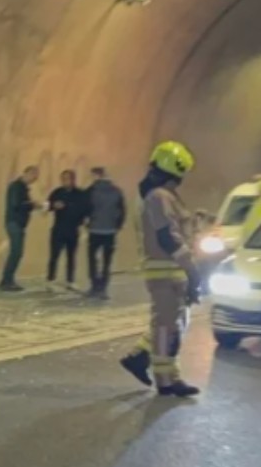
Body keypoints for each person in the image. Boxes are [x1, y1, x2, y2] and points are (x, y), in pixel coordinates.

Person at [119, 140, 201, 398]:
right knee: (166, 327)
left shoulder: (159, 195)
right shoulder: (159, 196)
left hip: (169, 270)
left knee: (170, 325)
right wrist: (192, 269)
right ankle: (166, 380)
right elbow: (167, 236)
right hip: (166, 270)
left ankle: (144, 361)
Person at [86, 167, 126, 299]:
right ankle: (103, 288)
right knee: (107, 261)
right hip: (110, 231)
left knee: (92, 259)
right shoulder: (117, 191)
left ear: (97, 176)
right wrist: (117, 225)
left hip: (95, 230)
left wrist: (87, 222)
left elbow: (85, 207)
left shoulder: (91, 191)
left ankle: (94, 286)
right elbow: (122, 210)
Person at [0, 166, 40, 292]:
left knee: (17, 252)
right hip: (14, 223)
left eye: (36, 177)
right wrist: (31, 204)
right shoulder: (17, 186)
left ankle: (7, 280)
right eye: (33, 175)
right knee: (16, 252)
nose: (34, 179)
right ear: (27, 173)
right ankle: (6, 281)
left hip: (18, 224)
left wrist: (31, 205)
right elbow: (16, 204)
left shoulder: (22, 188)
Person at [46, 170, 87, 292]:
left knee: (71, 256)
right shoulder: (57, 192)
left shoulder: (80, 194)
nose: (65, 181)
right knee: (54, 255)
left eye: (68, 178)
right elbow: (47, 206)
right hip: (58, 229)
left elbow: (84, 209)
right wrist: (53, 206)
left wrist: (80, 220)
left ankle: (70, 280)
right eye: (63, 179)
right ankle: (50, 279)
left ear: (73, 179)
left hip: (73, 229)